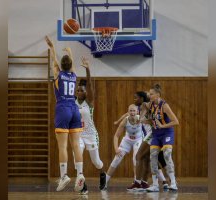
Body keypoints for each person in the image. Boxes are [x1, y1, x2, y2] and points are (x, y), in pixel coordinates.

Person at [45, 36, 85, 192]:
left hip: (62, 108)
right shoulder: (74, 76)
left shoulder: (58, 75)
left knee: (62, 146)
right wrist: (70, 53)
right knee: (76, 145)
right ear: (70, 66)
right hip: (75, 109)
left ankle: (64, 176)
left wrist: (52, 47)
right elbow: (70, 66)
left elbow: (54, 62)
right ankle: (80, 174)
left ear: (61, 66)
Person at [74, 57, 106, 193]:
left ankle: (103, 174)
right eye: (78, 90)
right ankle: (83, 186)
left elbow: (90, 85)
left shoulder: (89, 101)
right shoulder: (72, 103)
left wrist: (87, 68)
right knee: (77, 160)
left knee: (96, 162)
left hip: (91, 134)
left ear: (86, 92)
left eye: (82, 90)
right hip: (78, 134)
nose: (80, 92)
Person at [140, 84, 179, 192]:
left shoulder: (164, 106)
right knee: (153, 156)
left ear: (157, 95)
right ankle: (155, 185)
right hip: (156, 133)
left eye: (151, 94)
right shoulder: (150, 105)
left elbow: (176, 121)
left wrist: (162, 126)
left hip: (166, 132)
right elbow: (150, 119)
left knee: (166, 153)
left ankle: (173, 183)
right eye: (149, 93)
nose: (149, 95)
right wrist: (144, 120)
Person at [103, 104, 143, 190]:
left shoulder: (141, 119)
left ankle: (136, 182)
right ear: (128, 112)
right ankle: (104, 182)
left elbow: (150, 123)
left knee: (135, 158)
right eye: (130, 111)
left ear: (137, 112)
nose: (132, 112)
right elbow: (116, 136)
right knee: (116, 159)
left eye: (134, 111)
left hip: (138, 140)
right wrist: (116, 149)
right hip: (127, 140)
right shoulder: (125, 121)